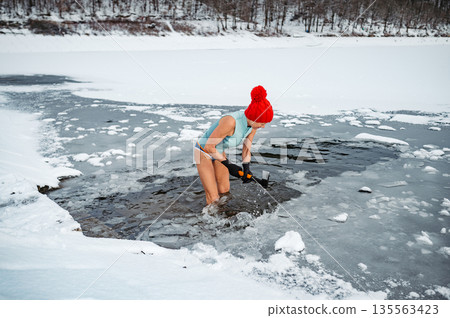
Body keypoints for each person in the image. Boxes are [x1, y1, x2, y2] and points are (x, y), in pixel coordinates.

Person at [194, 85, 274, 206]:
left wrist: (246, 168)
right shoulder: (231, 122)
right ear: (254, 117)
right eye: (262, 123)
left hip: (219, 152)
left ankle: (224, 216)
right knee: (213, 197)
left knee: (225, 191)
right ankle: (209, 222)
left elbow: (246, 149)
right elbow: (209, 147)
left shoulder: (253, 126)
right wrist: (229, 165)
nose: (263, 126)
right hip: (203, 151)